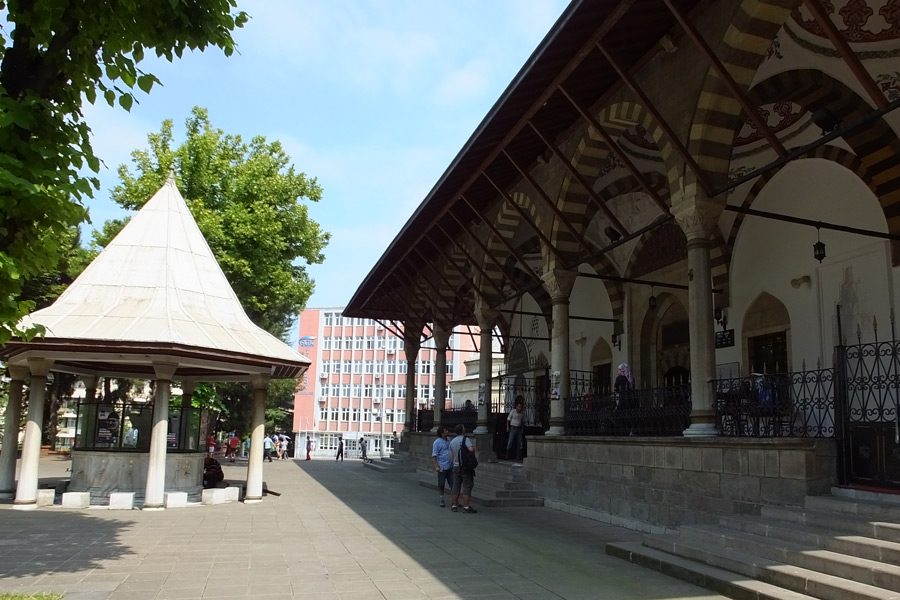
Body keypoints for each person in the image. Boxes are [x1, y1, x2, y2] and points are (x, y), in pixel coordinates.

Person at [449, 424, 477, 513]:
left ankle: (454, 505)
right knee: (467, 486)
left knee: (456, 485)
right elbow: (471, 449)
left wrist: (454, 464)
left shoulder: (452, 442)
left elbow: (451, 456)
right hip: (465, 466)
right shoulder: (465, 439)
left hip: (456, 466)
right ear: (462, 430)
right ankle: (466, 506)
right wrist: (473, 449)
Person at [431, 426, 452, 507]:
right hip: (442, 467)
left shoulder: (449, 440)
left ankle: (454, 500)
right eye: (446, 430)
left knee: (453, 484)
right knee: (441, 483)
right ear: (442, 433)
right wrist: (437, 466)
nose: (447, 431)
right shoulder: (437, 442)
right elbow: (434, 455)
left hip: (450, 466)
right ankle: (441, 498)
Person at [615, 363, 636, 435]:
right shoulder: (631, 378)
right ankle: (631, 430)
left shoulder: (619, 378)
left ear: (622, 370)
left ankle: (621, 430)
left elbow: (616, 388)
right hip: (631, 399)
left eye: (619, 370)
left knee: (619, 414)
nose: (618, 372)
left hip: (623, 399)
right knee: (630, 415)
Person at [506, 396, 526, 461]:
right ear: (516, 406)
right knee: (510, 442)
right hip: (513, 428)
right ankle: (508, 456)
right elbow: (508, 419)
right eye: (519, 407)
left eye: (521, 407)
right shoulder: (513, 412)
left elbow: (522, 422)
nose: (519, 408)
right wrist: (507, 427)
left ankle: (518, 457)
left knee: (520, 444)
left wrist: (522, 429)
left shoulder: (522, 413)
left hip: (519, 428)